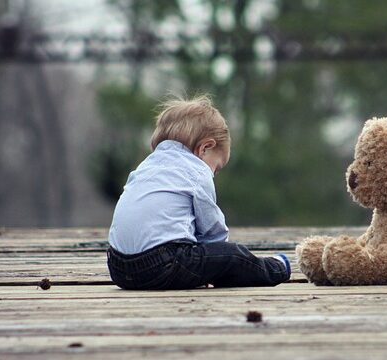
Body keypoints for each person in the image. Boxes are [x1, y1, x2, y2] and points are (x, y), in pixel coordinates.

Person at [107, 94, 291, 290]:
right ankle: (276, 268)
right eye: (217, 167)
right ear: (205, 148)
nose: (213, 174)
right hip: (162, 266)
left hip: (118, 267)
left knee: (203, 258)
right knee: (233, 256)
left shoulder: (145, 166)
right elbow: (212, 230)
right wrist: (219, 257)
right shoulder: (196, 170)